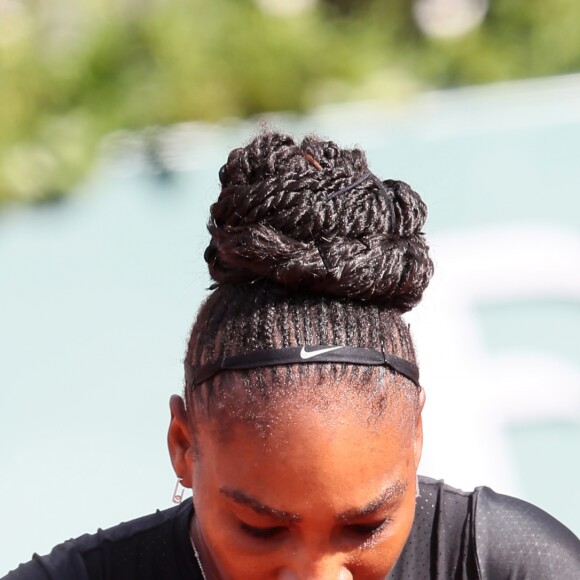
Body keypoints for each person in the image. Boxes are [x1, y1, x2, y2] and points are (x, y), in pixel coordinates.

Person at [4, 132, 579, 579]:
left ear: (417, 438)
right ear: (183, 446)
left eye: (365, 527)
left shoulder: (513, 567)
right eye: (262, 529)